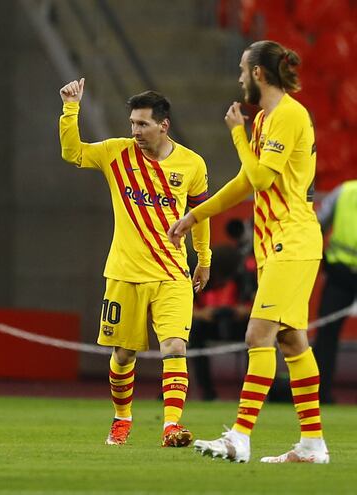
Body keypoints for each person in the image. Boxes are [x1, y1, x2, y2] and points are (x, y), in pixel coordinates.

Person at [168, 40, 330, 463]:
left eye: (242, 69)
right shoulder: (264, 121)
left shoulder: (288, 115)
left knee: (258, 335)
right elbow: (244, 182)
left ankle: (239, 436)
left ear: (258, 73)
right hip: (276, 243)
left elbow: (259, 178)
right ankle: (312, 445)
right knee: (293, 341)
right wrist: (194, 215)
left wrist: (237, 134)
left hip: (293, 240)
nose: (239, 76)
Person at [59, 79, 211, 447]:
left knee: (175, 347)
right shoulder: (116, 153)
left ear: (163, 125)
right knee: (123, 355)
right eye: (132, 124)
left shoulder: (191, 164)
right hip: (124, 273)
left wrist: (203, 260)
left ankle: (171, 426)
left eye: (142, 124)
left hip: (172, 273)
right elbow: (73, 153)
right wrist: (70, 109)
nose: (135, 131)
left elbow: (201, 214)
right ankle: (122, 418)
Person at [189, 224, 254, 400]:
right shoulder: (198, 276)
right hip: (209, 323)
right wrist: (201, 314)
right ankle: (207, 392)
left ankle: (253, 393)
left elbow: (260, 306)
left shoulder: (244, 276)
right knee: (194, 330)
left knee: (258, 335)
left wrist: (243, 310)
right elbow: (181, 308)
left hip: (238, 323)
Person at [313, 180, 357, 404]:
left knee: (326, 335)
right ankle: (320, 393)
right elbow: (316, 225)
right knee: (326, 334)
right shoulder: (344, 192)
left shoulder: (343, 191)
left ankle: (321, 392)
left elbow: (318, 223)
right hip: (340, 275)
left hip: (339, 272)